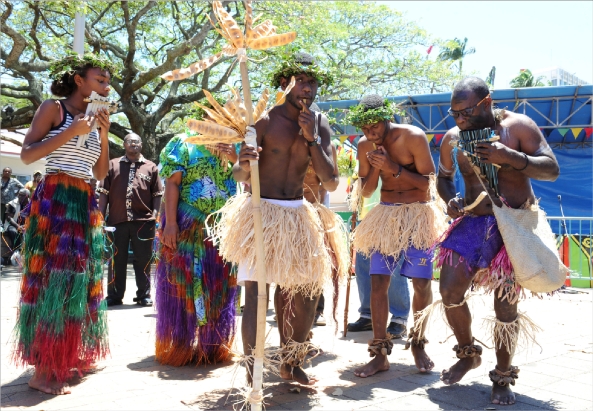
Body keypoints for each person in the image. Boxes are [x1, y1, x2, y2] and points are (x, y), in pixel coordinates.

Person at [210, 52, 337, 385]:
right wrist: (246, 160)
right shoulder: (264, 119)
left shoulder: (320, 123)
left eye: (312, 82)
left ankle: (291, 361)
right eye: (301, 82)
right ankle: (253, 372)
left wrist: (313, 140)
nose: (307, 89)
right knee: (255, 294)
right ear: (285, 83)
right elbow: (239, 173)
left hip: (297, 214)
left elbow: (332, 181)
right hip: (260, 213)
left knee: (306, 292)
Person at [435, 77, 560, 405]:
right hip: (475, 221)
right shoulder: (452, 139)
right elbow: (444, 178)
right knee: (448, 289)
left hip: (514, 222)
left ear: (488, 102)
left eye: (467, 112)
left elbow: (551, 169)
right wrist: (449, 199)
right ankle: (468, 353)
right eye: (455, 113)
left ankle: (502, 376)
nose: (460, 119)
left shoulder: (518, 127)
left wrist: (512, 158)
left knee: (505, 303)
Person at [14, 53, 114, 395]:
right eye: (99, 80)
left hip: (84, 200)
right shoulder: (54, 109)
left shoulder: (97, 118)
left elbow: (101, 173)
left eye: (107, 81)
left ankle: (63, 356)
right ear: (79, 81)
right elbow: (28, 154)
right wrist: (72, 129)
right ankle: (43, 371)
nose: (106, 86)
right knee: (52, 278)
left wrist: (102, 131)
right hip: (56, 199)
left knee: (78, 281)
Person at [349, 94, 447, 378]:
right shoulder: (365, 145)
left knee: (421, 282)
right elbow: (367, 192)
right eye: (365, 129)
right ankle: (379, 354)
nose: (370, 133)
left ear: (386, 117)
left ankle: (417, 342)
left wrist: (394, 169)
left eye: (374, 127)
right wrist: (374, 170)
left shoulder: (413, 137)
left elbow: (430, 186)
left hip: (418, 214)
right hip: (387, 215)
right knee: (378, 280)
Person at [155, 101, 239, 366]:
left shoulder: (234, 146)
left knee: (219, 287)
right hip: (187, 225)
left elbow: (247, 178)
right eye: (213, 117)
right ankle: (180, 344)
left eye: (224, 119)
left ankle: (213, 346)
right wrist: (169, 223)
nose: (219, 123)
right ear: (202, 118)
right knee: (181, 285)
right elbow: (172, 184)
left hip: (222, 230)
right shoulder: (183, 143)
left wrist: (236, 158)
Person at [98, 133, 164, 307]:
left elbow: (157, 194)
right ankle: (114, 295)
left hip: (144, 221)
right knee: (116, 259)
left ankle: (144, 295)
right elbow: (103, 193)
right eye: (130, 141)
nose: (133, 144)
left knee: (143, 259)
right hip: (116, 220)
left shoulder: (151, 167)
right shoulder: (112, 165)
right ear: (124, 144)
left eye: (136, 141)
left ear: (141, 144)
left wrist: (155, 215)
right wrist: (99, 217)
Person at [347, 175, 410, 338]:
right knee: (363, 266)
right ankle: (368, 314)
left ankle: (399, 318)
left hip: (393, 212)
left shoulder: (398, 149)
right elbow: (360, 178)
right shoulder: (365, 149)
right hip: (367, 214)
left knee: (393, 269)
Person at [301, 110, 347, 329]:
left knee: (315, 265)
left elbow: (332, 183)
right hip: (286, 215)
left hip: (315, 214)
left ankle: (316, 309)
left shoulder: (324, 147)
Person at [2, 188, 30, 263]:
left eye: (21, 195)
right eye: (19, 195)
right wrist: (18, 226)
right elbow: (9, 217)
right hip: (12, 225)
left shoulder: (32, 204)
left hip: (27, 225)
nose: (19, 196)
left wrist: (26, 225)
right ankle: (17, 251)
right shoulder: (12, 203)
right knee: (13, 231)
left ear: (27, 196)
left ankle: (29, 254)